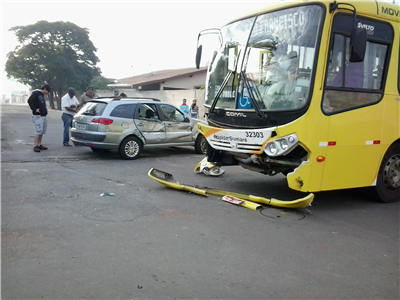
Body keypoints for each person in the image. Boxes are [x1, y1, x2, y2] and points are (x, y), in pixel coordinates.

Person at [27, 84, 51, 152]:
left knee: (42, 131)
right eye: (48, 91)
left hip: (43, 115)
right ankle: (35, 145)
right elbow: (29, 101)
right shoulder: (36, 93)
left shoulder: (42, 95)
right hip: (38, 116)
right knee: (38, 130)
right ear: (45, 89)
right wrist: (34, 109)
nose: (48, 93)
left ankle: (39, 144)